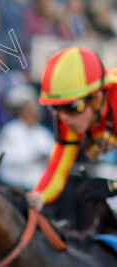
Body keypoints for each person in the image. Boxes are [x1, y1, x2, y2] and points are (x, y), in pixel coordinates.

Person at [29, 47, 117, 211]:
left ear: (97, 98)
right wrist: (36, 198)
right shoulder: (70, 117)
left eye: (71, 106)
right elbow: (57, 168)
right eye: (56, 108)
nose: (64, 117)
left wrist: (113, 186)